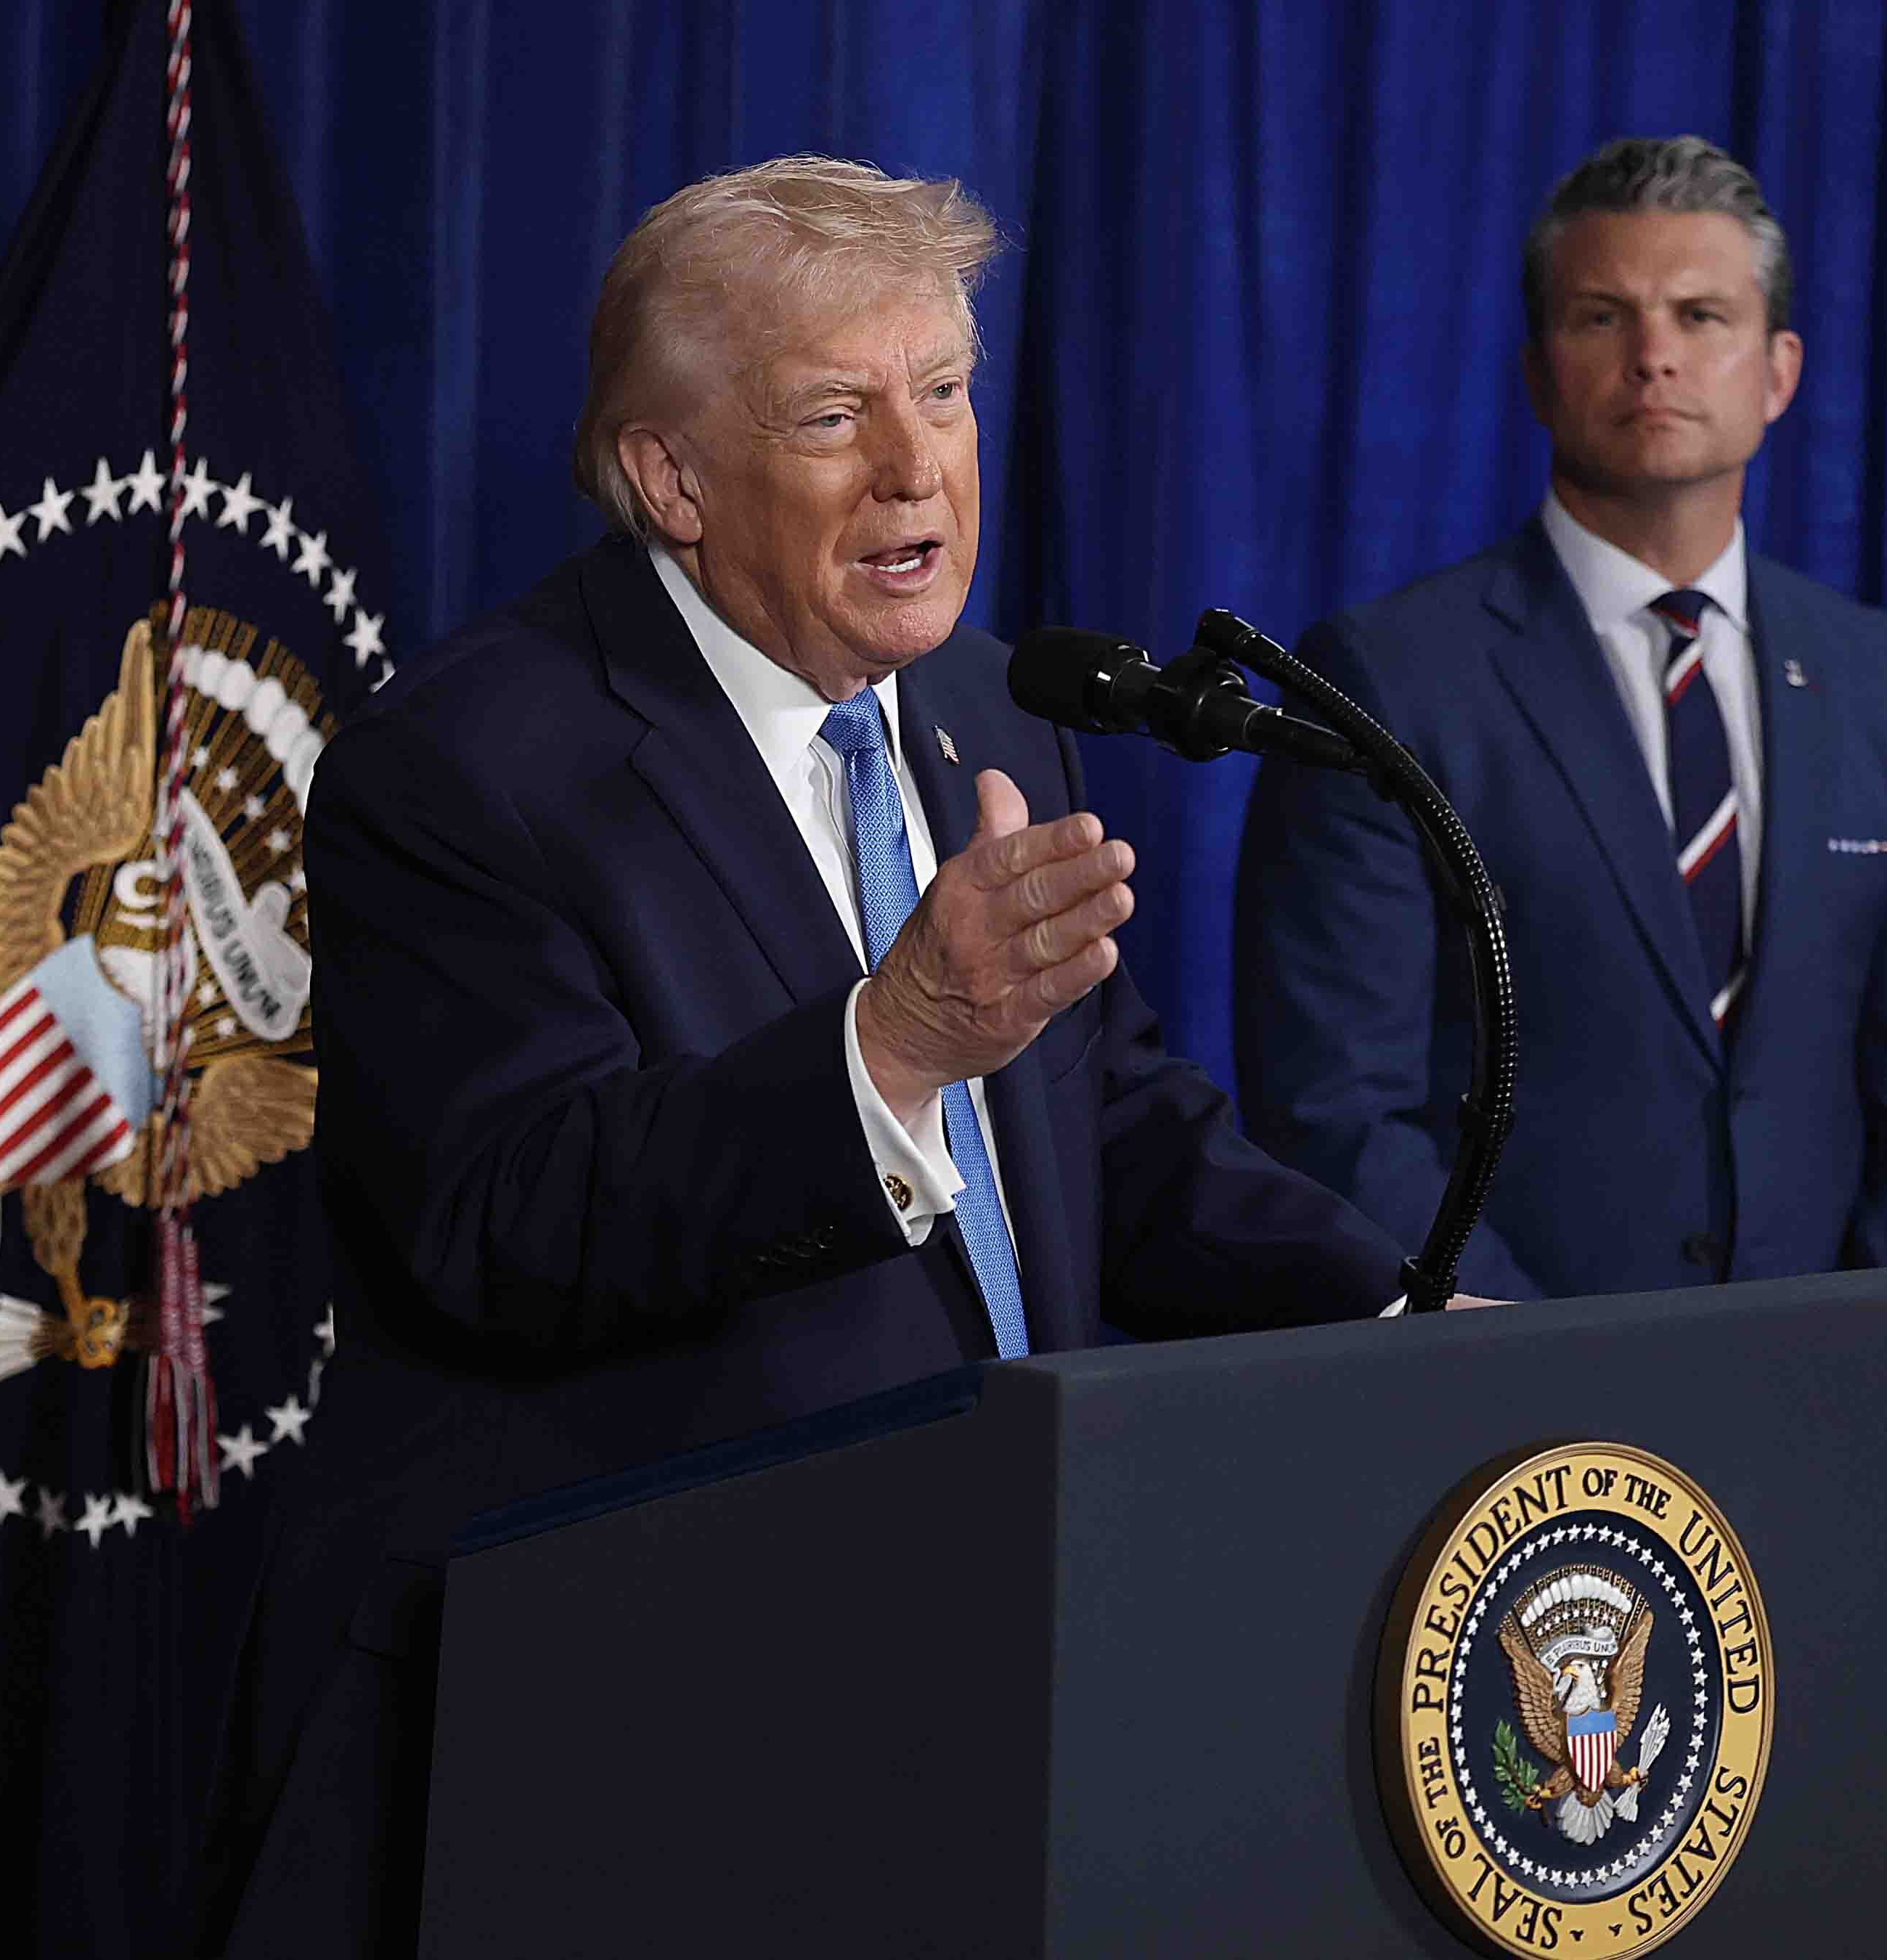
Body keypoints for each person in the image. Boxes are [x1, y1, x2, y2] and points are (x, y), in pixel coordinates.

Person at [197, 156, 1406, 1957]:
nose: (919, 469)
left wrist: (1404, 1321)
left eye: (943, 392)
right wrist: (896, 1042)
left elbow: (1107, 1132)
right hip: (628, 1738)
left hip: (996, 1688)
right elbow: (512, 1221)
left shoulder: (990, 708)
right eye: (836, 413)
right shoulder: (465, 768)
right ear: (671, 479)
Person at [1234, 136, 1887, 1302]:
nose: (1655, 357)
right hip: (1512, 1415)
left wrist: (1863, 1354)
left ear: (1779, 371)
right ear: (1538, 373)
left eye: (1702, 316)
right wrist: (1568, 1373)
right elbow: (1336, 1107)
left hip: (1824, 1397)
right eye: (1603, 318)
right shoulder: (1387, 678)